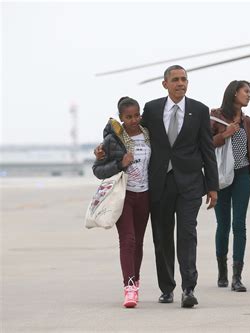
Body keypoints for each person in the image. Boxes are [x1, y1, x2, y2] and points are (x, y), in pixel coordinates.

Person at [141, 65, 219, 308]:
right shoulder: (152, 109)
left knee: (187, 234)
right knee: (162, 237)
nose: (180, 83)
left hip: (190, 184)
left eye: (184, 79)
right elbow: (134, 133)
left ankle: (188, 288)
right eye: (175, 80)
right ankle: (167, 288)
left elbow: (208, 149)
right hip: (160, 183)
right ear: (165, 84)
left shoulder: (199, 110)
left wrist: (213, 186)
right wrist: (107, 144)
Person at [92, 97, 151, 308]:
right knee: (128, 240)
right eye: (128, 117)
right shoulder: (112, 140)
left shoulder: (148, 135)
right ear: (121, 118)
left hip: (145, 196)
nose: (134, 120)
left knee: (139, 243)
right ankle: (129, 288)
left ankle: (136, 281)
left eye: (137, 115)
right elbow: (98, 170)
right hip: (123, 196)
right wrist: (120, 163)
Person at [210, 80, 250, 292]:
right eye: (246, 92)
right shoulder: (214, 117)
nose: (249, 96)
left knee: (239, 224)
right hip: (221, 176)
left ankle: (237, 276)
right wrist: (224, 134)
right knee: (223, 225)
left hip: (242, 176)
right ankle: (222, 271)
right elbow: (204, 145)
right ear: (234, 93)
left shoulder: (248, 122)